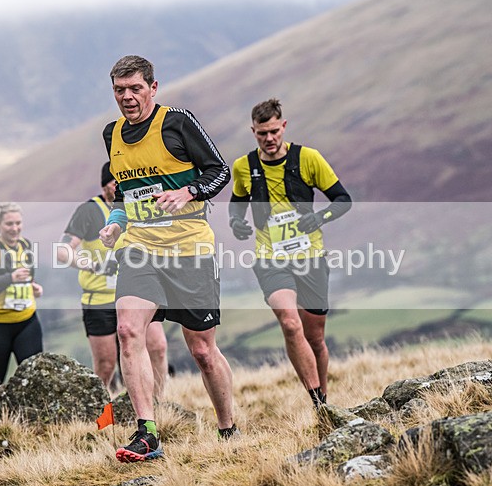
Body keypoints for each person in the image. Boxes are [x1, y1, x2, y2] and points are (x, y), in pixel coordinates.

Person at [99, 55, 236, 463]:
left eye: (135, 88)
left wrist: (189, 192)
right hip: (140, 251)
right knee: (127, 329)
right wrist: (117, 222)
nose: (127, 97)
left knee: (202, 351)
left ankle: (228, 426)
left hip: (190, 250)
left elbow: (219, 172)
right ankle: (147, 433)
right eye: (120, 90)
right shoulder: (112, 134)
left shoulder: (177, 122)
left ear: (153, 88)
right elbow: (126, 193)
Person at [228, 98, 352, 409]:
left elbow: (342, 199)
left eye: (273, 131)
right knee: (289, 322)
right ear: (253, 132)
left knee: (315, 339)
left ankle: (324, 404)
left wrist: (320, 218)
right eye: (261, 134)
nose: (269, 139)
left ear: (283, 126)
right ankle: (316, 400)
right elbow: (237, 201)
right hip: (270, 257)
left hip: (310, 256)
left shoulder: (308, 158)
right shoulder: (244, 166)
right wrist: (235, 222)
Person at [55, 162, 168, 397]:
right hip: (100, 300)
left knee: (157, 347)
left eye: (121, 182)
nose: (118, 187)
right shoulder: (89, 211)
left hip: (138, 292)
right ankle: (103, 412)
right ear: (104, 185)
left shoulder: (137, 205)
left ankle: (158, 402)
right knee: (106, 365)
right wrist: (93, 264)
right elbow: (62, 251)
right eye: (113, 183)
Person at [0, 203, 44, 397]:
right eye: (9, 224)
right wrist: (10, 278)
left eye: (18, 223)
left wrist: (33, 288)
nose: (15, 228)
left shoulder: (26, 245)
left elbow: (28, 277)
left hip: (27, 322)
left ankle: (35, 425)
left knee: (35, 378)